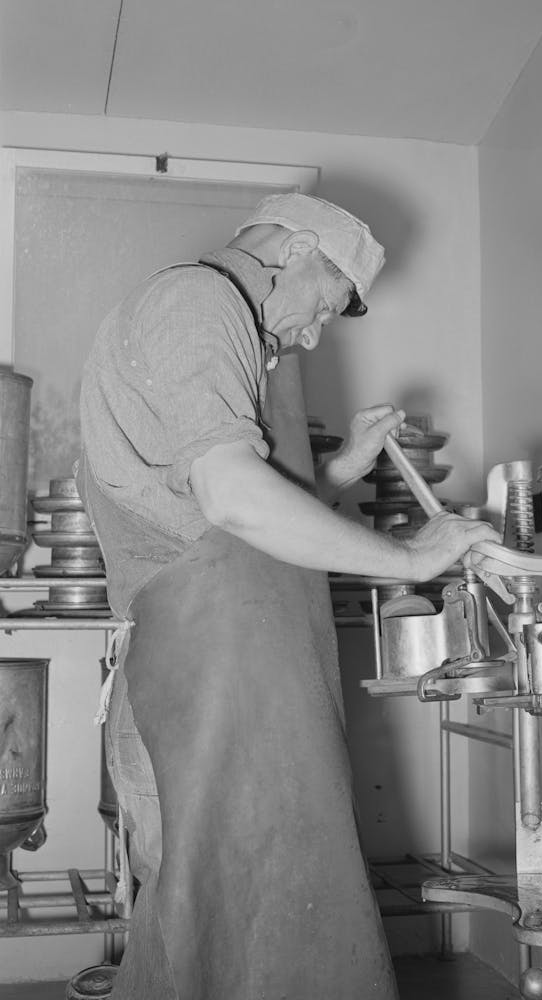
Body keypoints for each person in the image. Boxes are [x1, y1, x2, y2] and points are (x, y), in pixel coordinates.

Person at [77, 192, 503, 1000]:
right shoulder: (200, 303)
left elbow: (216, 523)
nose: (313, 333)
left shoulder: (232, 329)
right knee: (198, 942)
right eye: (328, 304)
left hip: (225, 679)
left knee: (247, 938)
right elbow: (234, 500)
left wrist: (340, 467)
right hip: (190, 685)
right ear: (297, 244)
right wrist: (410, 558)